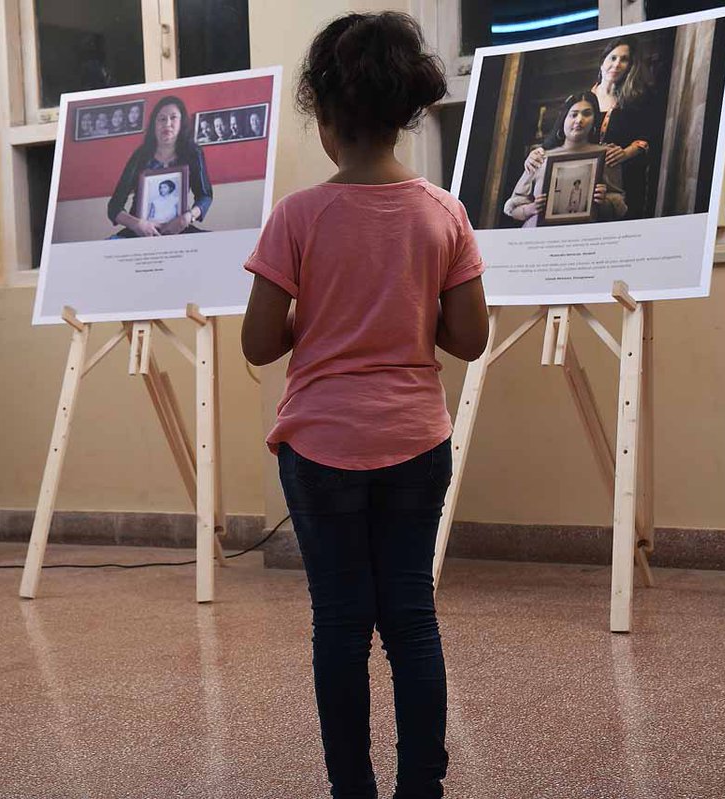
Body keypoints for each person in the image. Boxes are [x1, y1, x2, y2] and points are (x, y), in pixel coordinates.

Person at [240, 12, 488, 799]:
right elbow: (470, 338)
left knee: (340, 627)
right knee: (412, 620)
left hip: (319, 448)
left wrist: (317, 315)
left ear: (324, 118)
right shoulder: (441, 212)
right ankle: (423, 786)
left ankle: (353, 788)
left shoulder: (297, 217)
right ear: (404, 116)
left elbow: (257, 342)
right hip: (417, 439)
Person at [524, 37, 653, 218]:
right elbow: (555, 137)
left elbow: (647, 137)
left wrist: (625, 153)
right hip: (583, 176)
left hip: (620, 178)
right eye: (613, 58)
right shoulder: (579, 101)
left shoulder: (633, 100)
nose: (617, 64)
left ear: (630, 67)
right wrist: (536, 153)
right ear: (602, 62)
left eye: (624, 60)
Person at [504, 92, 626, 227]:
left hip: (586, 240)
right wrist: (531, 208)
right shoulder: (540, 157)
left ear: (595, 119)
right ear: (563, 119)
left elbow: (620, 207)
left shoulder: (607, 155)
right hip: (537, 238)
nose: (579, 120)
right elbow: (513, 206)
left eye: (586, 114)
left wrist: (604, 203)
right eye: (574, 114)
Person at [106, 95, 213, 237]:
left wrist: (187, 218)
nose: (167, 124)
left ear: (182, 123)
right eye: (162, 119)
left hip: (180, 228)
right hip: (139, 231)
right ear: (154, 125)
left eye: (173, 118)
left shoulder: (193, 153)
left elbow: (205, 196)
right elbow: (114, 207)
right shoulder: (140, 156)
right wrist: (137, 224)